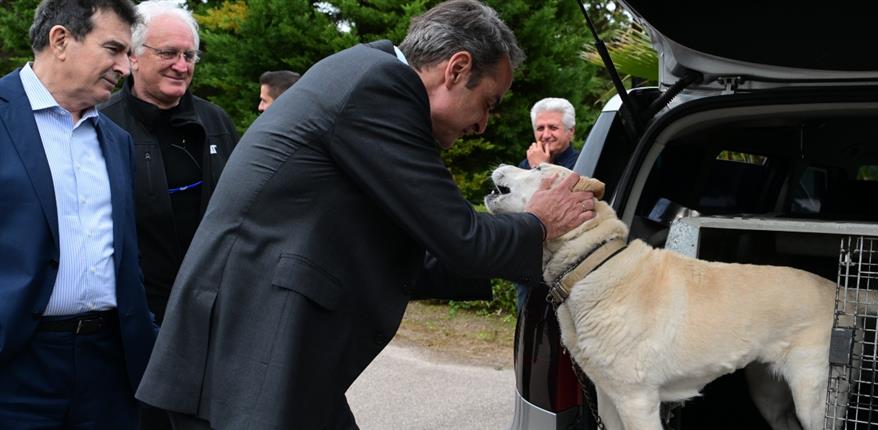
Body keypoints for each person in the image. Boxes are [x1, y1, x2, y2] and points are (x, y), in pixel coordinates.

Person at [134, 0, 597, 428]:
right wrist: (540, 222)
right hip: (248, 357)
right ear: (457, 69)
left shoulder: (366, 75)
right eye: (488, 104)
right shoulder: (382, 88)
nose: (481, 124)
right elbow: (462, 237)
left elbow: (407, 244)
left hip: (265, 354)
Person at [0, 1, 158, 429]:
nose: (125, 67)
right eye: (114, 49)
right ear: (61, 40)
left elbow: (125, 257)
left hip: (109, 367)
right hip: (16, 366)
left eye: (128, 54)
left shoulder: (116, 140)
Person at [96, 2, 239, 429]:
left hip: (209, 318)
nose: (181, 65)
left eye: (189, 55)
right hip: (133, 323)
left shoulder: (216, 123)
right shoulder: (102, 126)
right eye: (168, 53)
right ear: (133, 57)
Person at [515, 97, 581, 311]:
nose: (545, 135)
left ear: (570, 131)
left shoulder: (582, 163)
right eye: (540, 128)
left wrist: (541, 168)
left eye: (553, 127)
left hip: (567, 270)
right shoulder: (524, 166)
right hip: (531, 268)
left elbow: (565, 207)